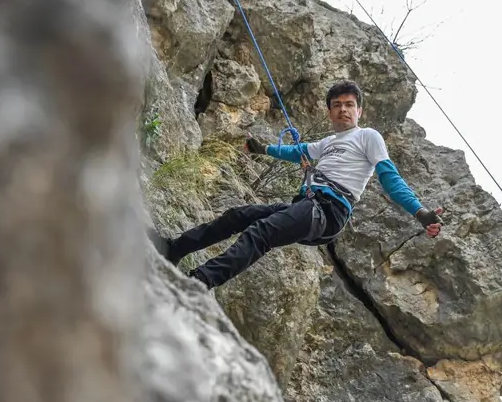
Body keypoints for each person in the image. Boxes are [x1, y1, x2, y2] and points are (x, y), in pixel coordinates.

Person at [150, 80, 443, 290]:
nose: (343, 109)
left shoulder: (368, 136)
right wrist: (264, 149)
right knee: (238, 216)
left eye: (349, 105)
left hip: (328, 210)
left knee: (261, 232)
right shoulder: (329, 142)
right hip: (307, 205)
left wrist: (420, 212)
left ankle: (199, 282)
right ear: (329, 112)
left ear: (359, 112)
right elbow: (299, 151)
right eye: (337, 105)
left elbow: (389, 176)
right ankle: (174, 249)